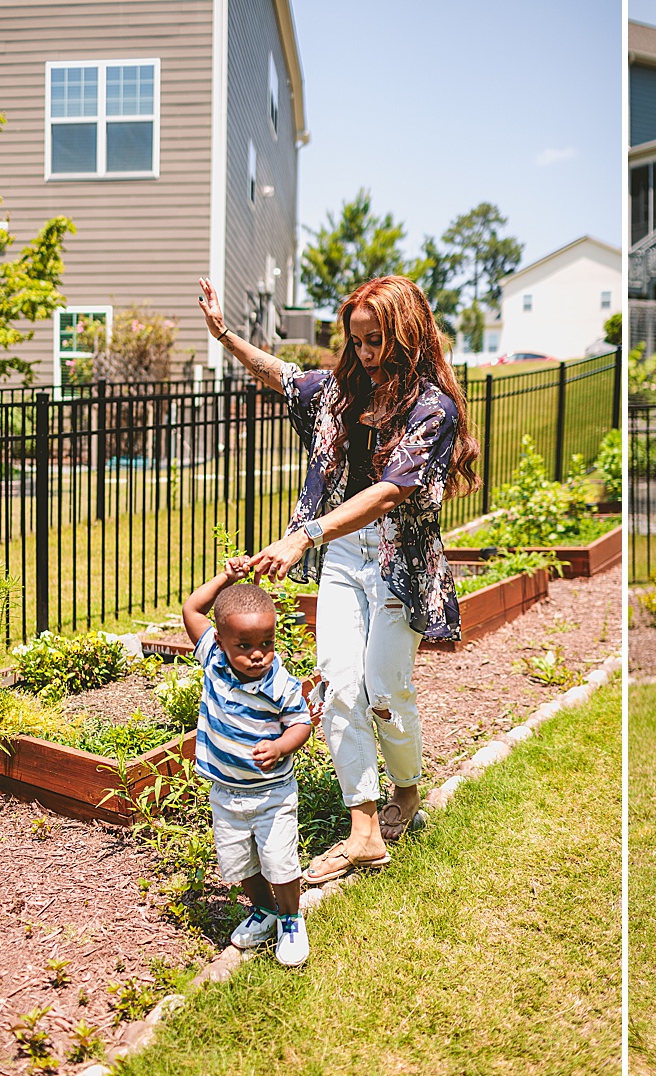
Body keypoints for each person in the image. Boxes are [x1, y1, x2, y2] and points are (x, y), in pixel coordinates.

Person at [196, 274, 479, 885]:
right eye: (357, 341)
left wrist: (305, 534)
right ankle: (365, 829)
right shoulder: (341, 393)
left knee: (385, 689)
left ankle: (407, 785)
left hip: (400, 562)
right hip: (345, 558)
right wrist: (225, 336)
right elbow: (280, 374)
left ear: (407, 336)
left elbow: (390, 492)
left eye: (377, 340)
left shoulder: (434, 408)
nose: (366, 353)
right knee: (339, 683)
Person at [183, 559, 313, 966]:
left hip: (272, 793)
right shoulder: (213, 661)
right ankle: (264, 912)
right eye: (244, 646)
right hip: (226, 792)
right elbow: (191, 609)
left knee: (279, 860)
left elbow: (302, 723)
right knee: (242, 861)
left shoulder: (280, 682)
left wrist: (281, 746)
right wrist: (228, 578)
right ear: (221, 641)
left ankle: (291, 918)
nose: (257, 655)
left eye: (266, 643)